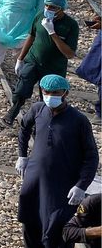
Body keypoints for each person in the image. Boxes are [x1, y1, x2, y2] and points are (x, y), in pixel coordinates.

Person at [17, 74, 99, 248]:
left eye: (55, 93)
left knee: (56, 226)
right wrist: (22, 156)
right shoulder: (38, 110)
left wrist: (81, 185)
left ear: (65, 93)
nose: (50, 96)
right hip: (34, 179)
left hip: (61, 184)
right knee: (30, 219)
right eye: (46, 92)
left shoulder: (78, 120)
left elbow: (91, 156)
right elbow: (24, 128)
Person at [5, 0, 80, 125]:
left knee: (47, 99)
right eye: (46, 5)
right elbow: (31, 36)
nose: (48, 9)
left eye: (52, 7)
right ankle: (13, 112)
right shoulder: (40, 16)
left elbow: (69, 54)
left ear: (61, 9)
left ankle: (41, 124)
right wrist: (20, 59)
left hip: (54, 67)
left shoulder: (71, 25)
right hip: (34, 60)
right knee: (21, 90)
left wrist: (52, 33)